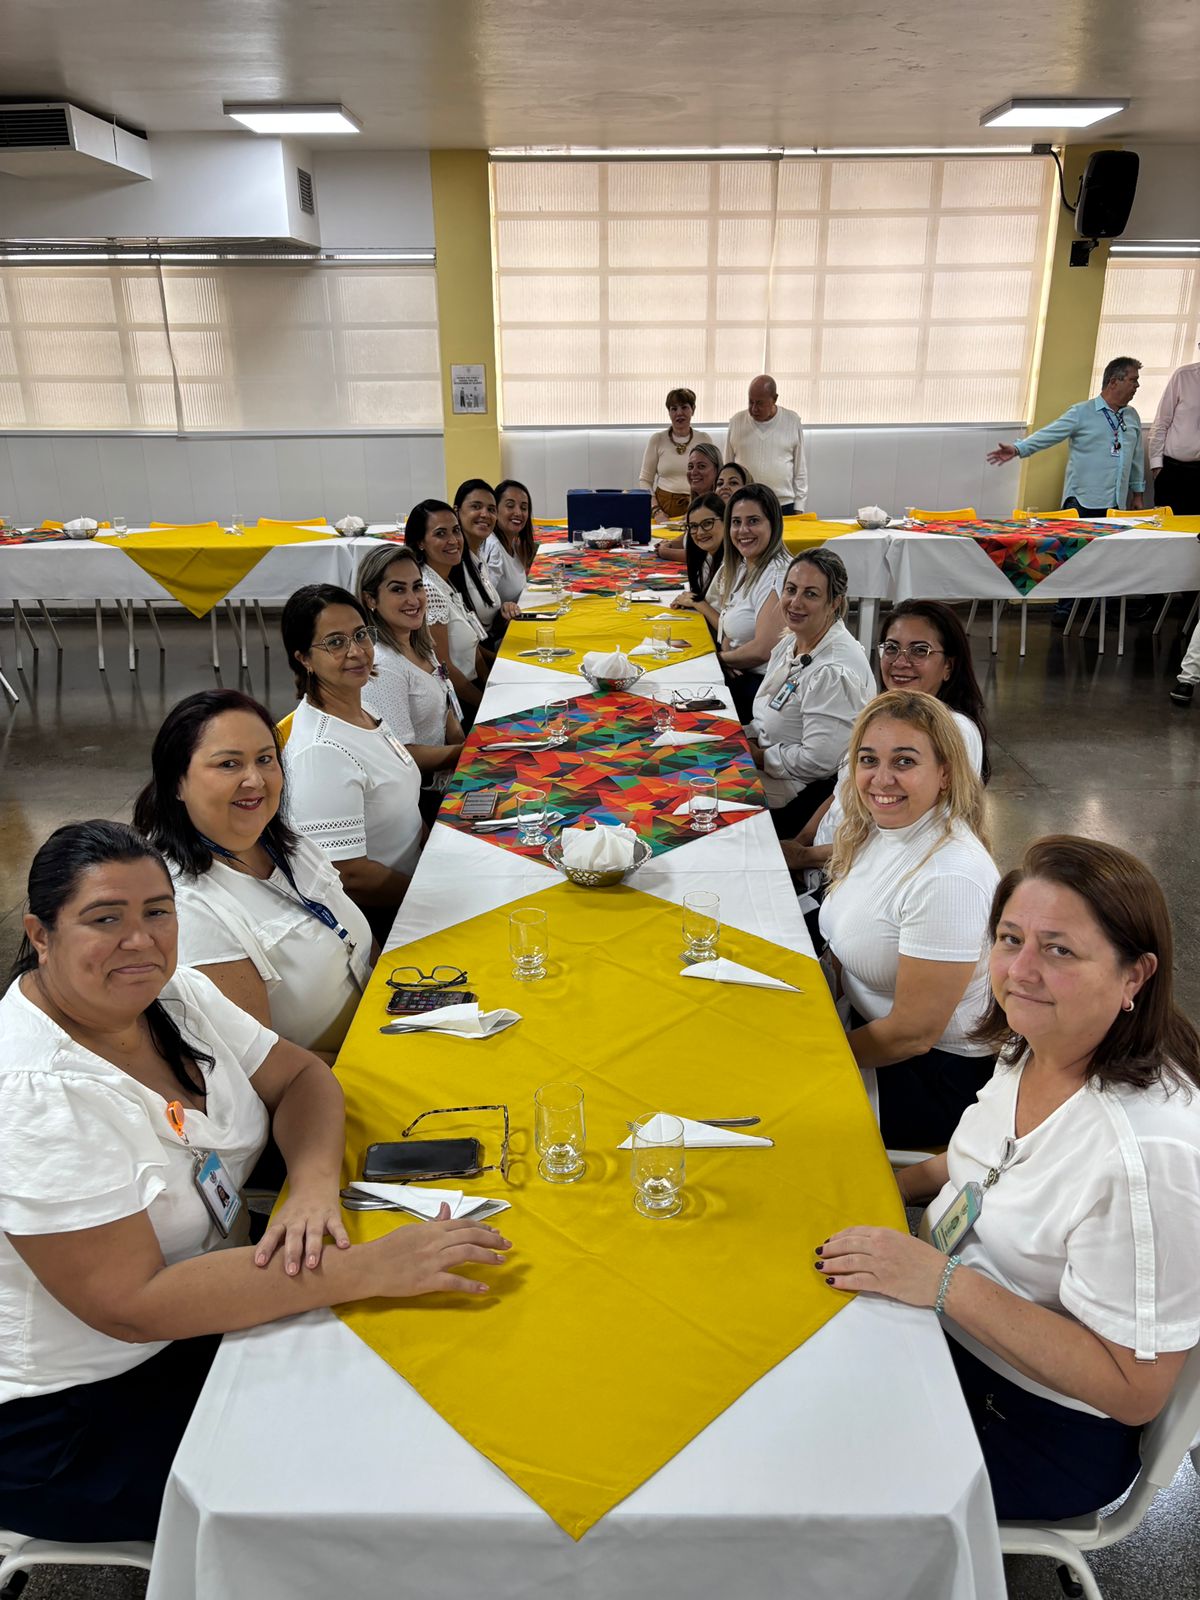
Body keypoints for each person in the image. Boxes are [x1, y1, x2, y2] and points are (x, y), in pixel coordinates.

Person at [0, 821, 512, 1543]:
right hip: (83, 1409)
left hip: (214, 1298)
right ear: (41, 935)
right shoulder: (33, 1093)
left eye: (157, 912)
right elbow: (132, 1307)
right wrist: (365, 1269)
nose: (140, 940)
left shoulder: (170, 995)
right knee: (383, 1468)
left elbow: (302, 1077)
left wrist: (311, 1186)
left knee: (441, 1361)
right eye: (105, 919)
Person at [820, 836, 1200, 1522]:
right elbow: (982, 1162)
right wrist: (880, 1184)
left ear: (1134, 977)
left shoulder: (1145, 1159)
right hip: (939, 1324)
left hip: (1033, 1423)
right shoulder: (1040, 1044)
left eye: (1060, 950)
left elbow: (1133, 1389)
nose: (1020, 971)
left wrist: (941, 1282)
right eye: (1010, 938)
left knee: (791, 1452)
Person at [132, 690, 374, 1063]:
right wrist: (379, 1061)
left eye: (265, 759)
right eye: (229, 764)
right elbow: (262, 1067)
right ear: (177, 783)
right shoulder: (187, 907)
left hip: (378, 1028)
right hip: (335, 1077)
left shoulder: (284, 843)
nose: (255, 780)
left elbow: (355, 939)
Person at [819, 691, 1000, 1148]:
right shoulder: (882, 828)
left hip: (932, 1077)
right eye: (869, 760)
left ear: (945, 774)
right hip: (865, 1031)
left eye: (904, 761)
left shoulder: (949, 877)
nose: (881, 779)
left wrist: (814, 1056)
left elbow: (913, 1034)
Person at [785, 599, 991, 882]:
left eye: (920, 650)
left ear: (948, 666)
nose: (900, 662)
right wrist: (799, 842)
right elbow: (841, 791)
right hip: (823, 864)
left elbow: (899, 843)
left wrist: (804, 856)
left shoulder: (955, 731)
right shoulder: (886, 715)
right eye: (892, 648)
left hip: (859, 877)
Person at [280, 583, 423, 942]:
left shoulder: (363, 709)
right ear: (304, 658)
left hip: (418, 876)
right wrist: (428, 895)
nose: (357, 651)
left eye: (360, 635)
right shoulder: (320, 751)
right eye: (335, 642)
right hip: (387, 918)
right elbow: (350, 876)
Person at [746, 549, 875, 834]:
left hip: (799, 795)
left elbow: (819, 762)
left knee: (702, 796)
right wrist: (746, 737)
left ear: (835, 603)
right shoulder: (794, 640)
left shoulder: (832, 671)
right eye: (791, 589)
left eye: (811, 594)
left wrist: (759, 757)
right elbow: (767, 715)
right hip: (770, 769)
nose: (795, 602)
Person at [356, 545, 465, 821]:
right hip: (420, 800)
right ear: (370, 599)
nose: (413, 599)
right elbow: (402, 754)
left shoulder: (419, 643)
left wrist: (466, 749)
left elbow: (445, 707)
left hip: (447, 777)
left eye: (417, 587)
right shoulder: (383, 666)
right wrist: (466, 754)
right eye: (398, 589)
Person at [987, 357, 1146, 515]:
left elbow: (1136, 458)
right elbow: (1049, 434)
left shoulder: (1131, 415)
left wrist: (1138, 495)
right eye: (1133, 380)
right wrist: (1018, 449)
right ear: (1113, 382)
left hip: (1117, 504)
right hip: (1082, 503)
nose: (1137, 385)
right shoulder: (1081, 412)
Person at [404, 499, 487, 721]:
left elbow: (474, 646)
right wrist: (487, 705)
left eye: (456, 530)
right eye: (441, 534)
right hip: (459, 703)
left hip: (472, 689)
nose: (453, 540)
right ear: (420, 542)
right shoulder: (428, 590)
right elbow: (444, 669)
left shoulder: (444, 580)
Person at [714, 483, 792, 720]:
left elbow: (763, 650)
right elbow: (730, 627)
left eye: (753, 521)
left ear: (773, 524)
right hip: (741, 676)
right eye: (736, 522)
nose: (743, 530)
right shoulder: (743, 567)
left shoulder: (778, 573)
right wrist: (728, 658)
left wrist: (718, 660)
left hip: (763, 691)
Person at [726, 375, 808, 514]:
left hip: (783, 504)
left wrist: (799, 506)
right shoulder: (736, 422)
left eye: (759, 403)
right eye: (750, 402)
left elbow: (800, 470)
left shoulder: (792, 421)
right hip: (745, 503)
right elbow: (727, 467)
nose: (754, 409)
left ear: (774, 399)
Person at [452, 479, 519, 638]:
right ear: (456, 512)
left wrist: (504, 610)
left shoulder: (479, 556)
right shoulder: (452, 562)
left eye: (491, 509)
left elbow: (484, 619)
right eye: (476, 507)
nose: (485, 514)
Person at [638, 388, 715, 523]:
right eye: (674, 409)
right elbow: (645, 480)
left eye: (684, 407)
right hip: (662, 509)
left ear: (693, 409)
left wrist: (699, 507)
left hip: (696, 506)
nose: (679, 413)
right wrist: (656, 511)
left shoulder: (704, 439)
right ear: (669, 413)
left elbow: (713, 477)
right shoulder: (657, 439)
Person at [1149, 339, 1200, 513]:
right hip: (1175, 471)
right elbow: (1161, 422)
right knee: (1167, 526)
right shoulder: (1183, 376)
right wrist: (1156, 466)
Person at [653, 444, 723, 562]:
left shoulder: (720, 507)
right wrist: (670, 544)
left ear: (717, 470)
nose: (693, 472)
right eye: (690, 467)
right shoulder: (696, 504)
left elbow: (705, 554)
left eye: (701, 466)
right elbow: (688, 537)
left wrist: (665, 552)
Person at [670, 493, 728, 629]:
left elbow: (729, 631)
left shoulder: (735, 565)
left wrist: (698, 603)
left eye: (707, 523)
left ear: (726, 521)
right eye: (694, 526)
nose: (700, 532)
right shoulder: (706, 557)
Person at [486, 479, 538, 602]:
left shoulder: (514, 543)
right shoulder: (493, 548)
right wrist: (502, 608)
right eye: (510, 506)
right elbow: (486, 602)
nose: (518, 513)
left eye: (524, 508)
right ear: (495, 509)